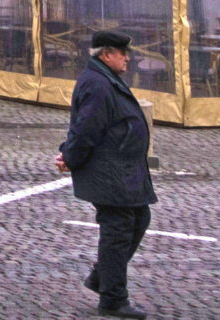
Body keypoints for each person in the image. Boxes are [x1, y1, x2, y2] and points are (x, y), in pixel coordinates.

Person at [54, 29, 155, 317]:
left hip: (121, 169)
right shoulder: (98, 84)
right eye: (122, 53)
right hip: (109, 172)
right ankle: (112, 299)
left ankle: (102, 278)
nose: (127, 58)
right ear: (106, 54)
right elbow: (85, 129)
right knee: (118, 230)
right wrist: (70, 158)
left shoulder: (105, 78)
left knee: (139, 218)